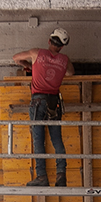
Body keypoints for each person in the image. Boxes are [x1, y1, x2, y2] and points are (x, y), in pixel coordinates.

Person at [13, 28, 74, 187]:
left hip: (38, 101)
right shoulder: (65, 59)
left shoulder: (36, 53)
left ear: (49, 41)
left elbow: (16, 58)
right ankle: (61, 175)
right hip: (54, 102)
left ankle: (41, 176)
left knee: (38, 139)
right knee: (57, 139)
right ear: (62, 47)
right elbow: (70, 73)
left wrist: (30, 65)